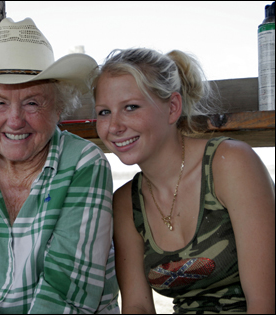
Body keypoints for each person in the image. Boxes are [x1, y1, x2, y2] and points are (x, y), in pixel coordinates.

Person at [0, 18, 119, 314]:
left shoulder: (84, 163)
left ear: (58, 107)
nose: (15, 120)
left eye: (32, 103)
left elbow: (67, 292)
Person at [92, 48, 275, 314]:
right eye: (104, 112)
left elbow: (264, 303)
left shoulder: (230, 164)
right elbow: (137, 306)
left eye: (131, 107)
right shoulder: (125, 204)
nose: (114, 126)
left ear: (172, 108)